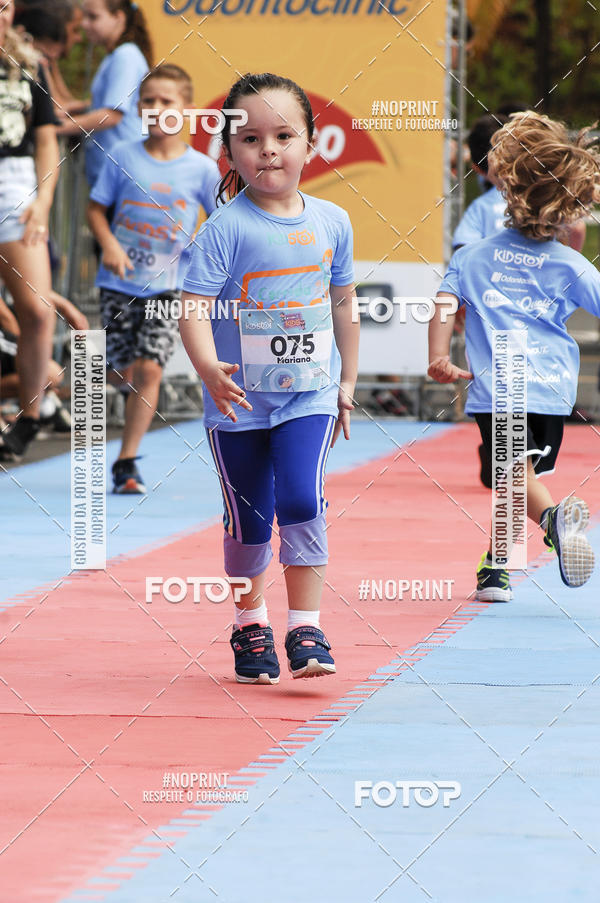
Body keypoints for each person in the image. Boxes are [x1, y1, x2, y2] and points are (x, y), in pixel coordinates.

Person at [179, 73, 358, 684]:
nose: (269, 149)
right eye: (250, 138)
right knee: (249, 520)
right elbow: (194, 308)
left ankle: (305, 626)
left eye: (284, 135)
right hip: (238, 405)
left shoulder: (333, 222)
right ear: (229, 152)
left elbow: (342, 306)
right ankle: (249, 621)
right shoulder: (224, 228)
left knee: (302, 501)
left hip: (307, 394)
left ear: (312, 144)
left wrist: (347, 382)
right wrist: (209, 369)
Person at [429, 111, 599, 602]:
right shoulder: (572, 264)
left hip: (500, 388)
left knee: (514, 477)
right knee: (518, 477)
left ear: (506, 190)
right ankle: (496, 568)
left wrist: (439, 354)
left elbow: (442, 306)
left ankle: (554, 520)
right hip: (551, 390)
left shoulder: (473, 257)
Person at [87, 63, 220, 494]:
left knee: (150, 369)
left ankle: (126, 462)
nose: (157, 108)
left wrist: (203, 245)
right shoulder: (123, 156)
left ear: (186, 109)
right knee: (123, 373)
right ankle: (89, 380)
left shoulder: (202, 168)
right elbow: (95, 209)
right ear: (139, 107)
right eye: (149, 100)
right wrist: (108, 242)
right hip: (118, 282)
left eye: (167, 101)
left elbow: (221, 220)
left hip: (169, 286)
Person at [0, 0, 60, 461]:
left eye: (3, 6)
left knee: (37, 313)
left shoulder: (28, 61)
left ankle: (32, 415)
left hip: (15, 186)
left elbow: (45, 139)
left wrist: (42, 201)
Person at [56, 0, 151, 188]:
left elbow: (112, 115)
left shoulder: (126, 55)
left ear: (118, 17)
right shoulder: (115, 55)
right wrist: (74, 108)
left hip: (122, 173)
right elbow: (107, 103)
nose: (84, 24)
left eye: (93, 17)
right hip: (112, 170)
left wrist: (56, 127)